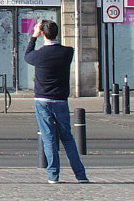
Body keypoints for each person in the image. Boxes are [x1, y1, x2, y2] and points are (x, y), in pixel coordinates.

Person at [26, 19, 88, 183]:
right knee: (67, 138)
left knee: (49, 139)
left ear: (43, 33)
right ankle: (80, 175)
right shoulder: (67, 52)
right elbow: (65, 49)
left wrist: (34, 36)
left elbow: (27, 55)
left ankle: (53, 175)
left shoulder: (38, 55)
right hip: (60, 100)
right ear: (57, 33)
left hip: (42, 99)